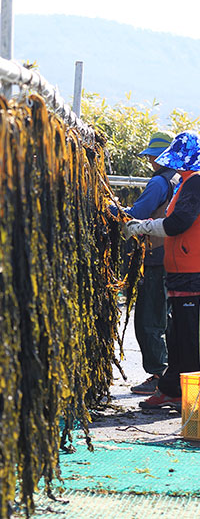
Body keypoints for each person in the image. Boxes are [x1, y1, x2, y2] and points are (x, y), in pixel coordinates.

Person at [124, 130, 200, 409]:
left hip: (193, 273)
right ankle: (170, 388)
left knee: (189, 337)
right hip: (181, 272)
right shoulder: (185, 182)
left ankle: (190, 401)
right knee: (177, 333)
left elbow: (179, 222)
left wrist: (143, 226)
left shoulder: (195, 183)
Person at [110, 131, 179, 395]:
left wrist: (110, 208)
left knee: (149, 318)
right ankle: (168, 373)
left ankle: (158, 375)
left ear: (162, 156)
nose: (149, 160)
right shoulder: (177, 180)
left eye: (152, 155)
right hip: (173, 258)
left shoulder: (158, 183)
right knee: (167, 318)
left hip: (154, 258)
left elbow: (136, 214)